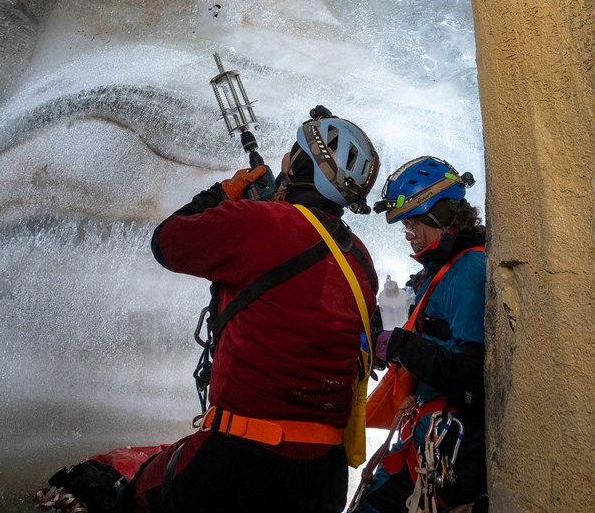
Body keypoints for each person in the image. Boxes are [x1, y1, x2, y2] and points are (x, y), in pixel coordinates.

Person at [129, 108, 380, 513]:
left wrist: (223, 195)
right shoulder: (360, 259)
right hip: (324, 476)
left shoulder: (263, 223)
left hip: (243, 459)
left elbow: (168, 242)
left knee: (139, 497)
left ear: (302, 165)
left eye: (293, 151)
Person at [358, 156, 487, 513]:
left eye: (413, 222)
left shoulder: (469, 272)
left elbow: (477, 379)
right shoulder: (444, 269)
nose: (408, 233)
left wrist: (400, 346)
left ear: (441, 216)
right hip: (427, 442)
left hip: (449, 452)